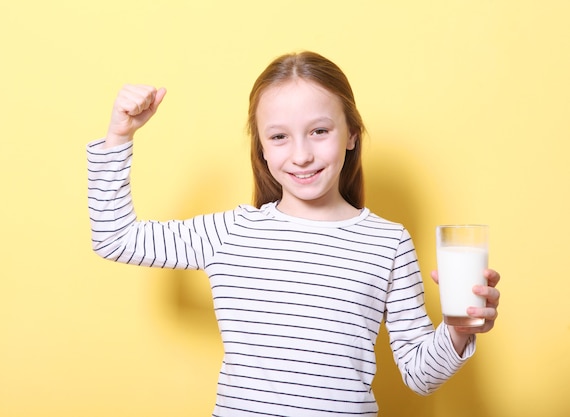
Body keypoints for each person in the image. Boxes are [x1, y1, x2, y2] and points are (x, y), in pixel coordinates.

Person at [87, 51, 501, 417]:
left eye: (319, 131)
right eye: (279, 137)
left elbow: (418, 375)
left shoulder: (388, 243)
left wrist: (458, 330)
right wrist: (119, 136)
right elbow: (115, 238)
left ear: (352, 134)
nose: (301, 154)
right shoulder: (230, 233)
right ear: (262, 149)